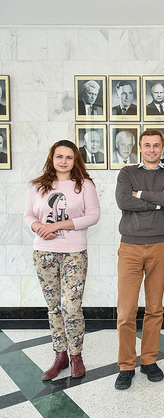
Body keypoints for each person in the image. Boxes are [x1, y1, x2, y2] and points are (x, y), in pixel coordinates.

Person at [23, 140, 100, 380]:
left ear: (75, 160)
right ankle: (60, 355)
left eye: (69, 157)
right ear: (52, 158)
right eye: (59, 156)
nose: (64, 161)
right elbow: (28, 215)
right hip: (43, 252)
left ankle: (76, 356)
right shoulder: (37, 186)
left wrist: (57, 225)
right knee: (54, 307)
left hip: (74, 253)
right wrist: (39, 227)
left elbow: (93, 216)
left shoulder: (84, 185)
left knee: (71, 307)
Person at [114, 129, 164, 390]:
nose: (152, 149)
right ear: (140, 148)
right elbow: (123, 201)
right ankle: (126, 365)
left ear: (163, 148)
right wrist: (157, 201)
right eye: (147, 145)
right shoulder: (127, 172)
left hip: (160, 246)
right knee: (126, 311)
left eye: (156, 145)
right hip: (130, 247)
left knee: (155, 308)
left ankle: (149, 360)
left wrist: (139, 194)